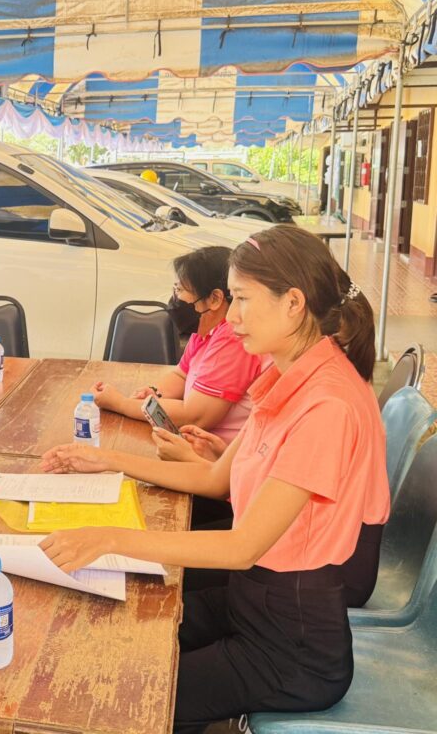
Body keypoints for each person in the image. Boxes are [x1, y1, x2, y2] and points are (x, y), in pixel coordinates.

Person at [39, 225, 389, 731]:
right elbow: (215, 480)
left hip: (291, 648)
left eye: (243, 298)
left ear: (293, 303)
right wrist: (108, 461)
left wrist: (109, 539)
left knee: (127, 699)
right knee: (129, 630)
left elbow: (243, 546)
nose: (233, 316)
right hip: (254, 603)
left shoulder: (326, 404)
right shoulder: (288, 376)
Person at [91, 247, 263, 462]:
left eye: (180, 289)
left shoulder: (232, 338)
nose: (175, 298)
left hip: (221, 462)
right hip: (199, 449)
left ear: (214, 298)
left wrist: (120, 404)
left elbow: (196, 416)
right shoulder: (206, 330)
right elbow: (181, 374)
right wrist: (156, 393)